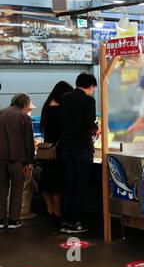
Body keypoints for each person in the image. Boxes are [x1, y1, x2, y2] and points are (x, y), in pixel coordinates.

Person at [59, 73, 100, 234]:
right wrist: (97, 129)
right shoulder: (88, 100)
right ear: (90, 86)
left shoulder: (64, 98)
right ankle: (75, 222)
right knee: (80, 186)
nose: (93, 91)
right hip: (82, 149)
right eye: (93, 88)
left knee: (68, 186)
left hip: (66, 149)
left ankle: (64, 221)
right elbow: (88, 124)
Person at [39, 81, 74, 227]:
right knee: (57, 186)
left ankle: (50, 211)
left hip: (47, 151)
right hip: (57, 152)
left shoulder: (47, 107)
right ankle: (57, 216)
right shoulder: (58, 111)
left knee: (46, 184)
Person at [0, 94, 35, 229]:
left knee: (1, 189)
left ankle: (1, 219)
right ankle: (14, 220)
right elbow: (28, 142)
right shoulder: (24, 117)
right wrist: (29, 162)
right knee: (17, 188)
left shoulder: (1, 113)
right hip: (18, 159)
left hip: (0, 158)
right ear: (25, 104)